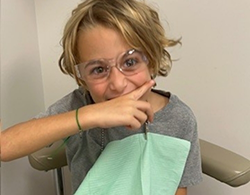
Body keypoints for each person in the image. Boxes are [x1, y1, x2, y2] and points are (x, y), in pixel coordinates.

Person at [1, 0, 202, 194]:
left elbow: (176, 187)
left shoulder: (179, 119)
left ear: (152, 58)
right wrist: (89, 116)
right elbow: (5, 146)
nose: (117, 83)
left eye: (130, 62)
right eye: (98, 69)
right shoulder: (80, 105)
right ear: (82, 77)